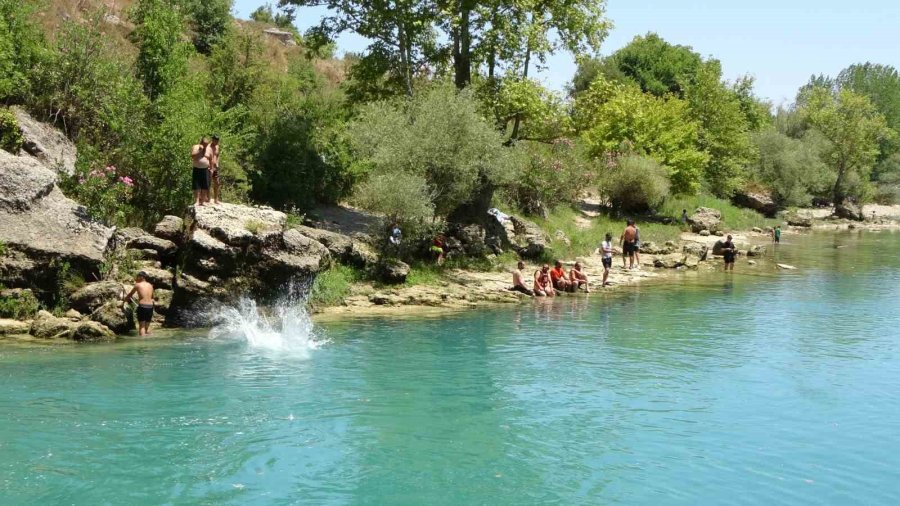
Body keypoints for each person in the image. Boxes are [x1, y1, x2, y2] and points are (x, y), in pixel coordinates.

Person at [122, 271, 154, 336]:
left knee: (142, 326)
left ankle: (141, 344)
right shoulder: (150, 285)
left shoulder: (138, 285)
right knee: (147, 327)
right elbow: (152, 297)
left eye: (138, 277)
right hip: (150, 307)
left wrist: (122, 303)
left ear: (141, 277)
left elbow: (130, 295)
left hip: (142, 306)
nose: (136, 278)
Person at [191, 137, 211, 206]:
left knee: (205, 185)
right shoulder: (195, 147)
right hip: (197, 168)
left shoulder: (209, 149)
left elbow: (210, 158)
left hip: (205, 169)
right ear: (201, 143)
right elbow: (192, 156)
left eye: (207, 144)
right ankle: (197, 201)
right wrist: (199, 150)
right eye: (204, 144)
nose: (206, 145)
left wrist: (211, 168)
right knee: (196, 185)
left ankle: (202, 201)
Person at [209, 135, 222, 205]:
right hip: (209, 167)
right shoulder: (208, 147)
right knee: (208, 183)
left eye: (217, 141)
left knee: (217, 183)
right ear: (212, 140)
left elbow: (218, 155)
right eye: (215, 140)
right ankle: (207, 198)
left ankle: (216, 199)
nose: (217, 142)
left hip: (215, 167)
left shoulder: (217, 146)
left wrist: (217, 162)